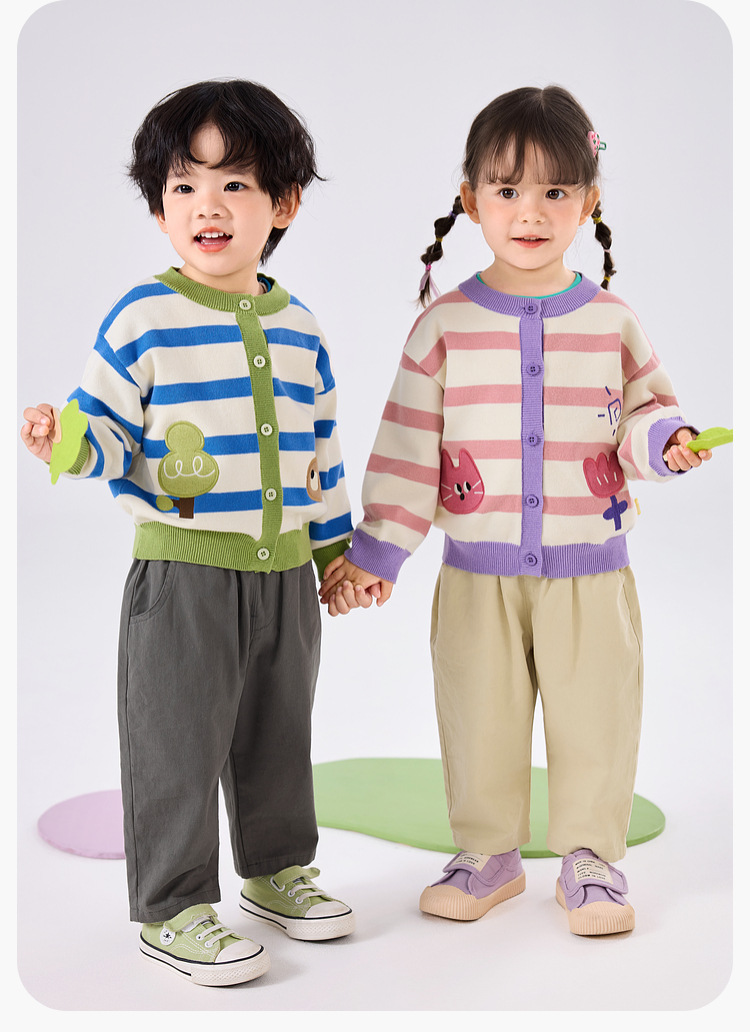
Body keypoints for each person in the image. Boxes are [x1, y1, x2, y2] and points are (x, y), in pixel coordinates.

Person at [320, 85, 713, 936]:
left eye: (555, 191)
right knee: (479, 718)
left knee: (596, 718)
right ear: (471, 200)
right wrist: (379, 552)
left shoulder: (611, 321)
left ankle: (591, 860)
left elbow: (647, 413)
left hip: (590, 575)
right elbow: (409, 445)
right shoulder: (444, 327)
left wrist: (668, 443)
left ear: (588, 203)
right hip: (477, 575)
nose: (530, 212)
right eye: (507, 190)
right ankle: (488, 854)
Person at [21, 79, 364, 986]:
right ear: (159, 209)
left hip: (286, 577)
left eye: (234, 183)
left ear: (283, 205)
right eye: (184, 186)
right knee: (175, 743)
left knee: (278, 733)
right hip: (183, 579)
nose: (207, 205)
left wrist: (337, 554)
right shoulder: (143, 318)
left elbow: (320, 454)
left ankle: (277, 871)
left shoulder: (300, 327)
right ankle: (172, 907)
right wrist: (68, 442)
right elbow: (108, 430)